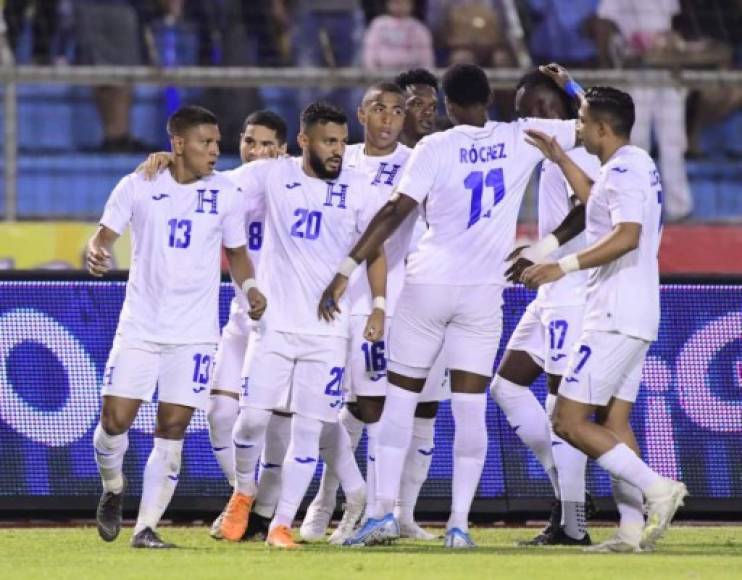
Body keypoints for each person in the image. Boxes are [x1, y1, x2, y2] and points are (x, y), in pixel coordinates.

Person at [319, 63, 579, 548]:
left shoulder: (435, 147)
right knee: (469, 408)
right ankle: (459, 524)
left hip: (428, 287)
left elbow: (396, 211)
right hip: (484, 293)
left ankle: (381, 516)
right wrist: (569, 87)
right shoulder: (521, 135)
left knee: (399, 400)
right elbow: (594, 121)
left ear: (449, 106)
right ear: (489, 98)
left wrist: (347, 267)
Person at [87, 105, 266, 549]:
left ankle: (146, 528)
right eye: (206, 142)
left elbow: (238, 251)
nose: (215, 150)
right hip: (141, 326)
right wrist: (96, 250)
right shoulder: (139, 183)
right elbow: (104, 234)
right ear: (179, 144)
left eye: (218, 143)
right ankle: (112, 488)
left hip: (194, 334)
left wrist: (249, 287)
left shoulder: (225, 193)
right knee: (114, 422)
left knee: (172, 428)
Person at [522, 74, 687, 552]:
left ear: (600, 130)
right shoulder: (633, 163)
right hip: (633, 315)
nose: (578, 127)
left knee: (568, 422)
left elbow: (628, 233)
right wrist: (559, 151)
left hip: (614, 315)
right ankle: (632, 533)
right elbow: (598, 198)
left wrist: (561, 265)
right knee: (614, 424)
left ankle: (659, 488)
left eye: (582, 122)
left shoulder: (626, 169)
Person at [218, 101, 384, 549]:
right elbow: (210, 184)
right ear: (305, 141)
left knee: (309, 430)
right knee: (250, 421)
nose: (339, 151)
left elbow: (375, 248)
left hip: (328, 332)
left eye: (342, 141)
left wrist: (379, 306)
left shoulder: (360, 187)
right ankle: (244, 492)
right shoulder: (273, 174)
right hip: (273, 326)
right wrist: (160, 167)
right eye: (329, 141)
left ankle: (281, 524)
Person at [300, 82, 444, 544]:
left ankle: (382, 513)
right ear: (361, 114)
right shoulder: (342, 157)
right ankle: (327, 501)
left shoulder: (417, 164)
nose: (387, 119)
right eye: (378, 109)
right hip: (330, 300)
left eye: (396, 111)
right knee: (331, 408)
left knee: (377, 407)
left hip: (390, 302)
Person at [491, 69, 601, 546]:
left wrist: (543, 248)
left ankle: (573, 523)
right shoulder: (552, 152)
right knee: (507, 387)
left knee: (561, 410)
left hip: (574, 289)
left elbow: (591, 208)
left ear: (567, 113)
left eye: (543, 107)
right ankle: (568, 490)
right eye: (526, 111)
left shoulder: (578, 149)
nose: (534, 119)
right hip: (549, 289)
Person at [362, 0, 435, 71]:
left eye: (404, 3)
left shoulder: (418, 28)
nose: (400, 6)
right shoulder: (378, 25)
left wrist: (424, 77)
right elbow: (370, 52)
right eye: (396, 2)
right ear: (388, 3)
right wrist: (373, 74)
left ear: (411, 4)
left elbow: (426, 59)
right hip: (382, 76)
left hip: (410, 77)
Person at [394, 68, 439, 148]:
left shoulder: (445, 151)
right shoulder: (377, 155)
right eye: (418, 104)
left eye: (432, 106)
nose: (428, 112)